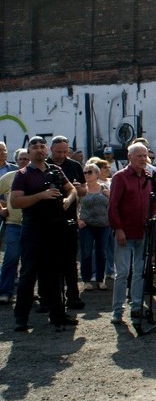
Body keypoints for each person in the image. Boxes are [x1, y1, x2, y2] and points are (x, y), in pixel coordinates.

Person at [11, 137, 79, 331]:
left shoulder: (55, 170)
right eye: (35, 147)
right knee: (28, 274)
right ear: (29, 151)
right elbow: (15, 202)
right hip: (33, 229)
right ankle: (21, 318)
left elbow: (72, 189)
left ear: (46, 149)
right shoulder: (23, 174)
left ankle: (58, 315)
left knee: (55, 272)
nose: (39, 150)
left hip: (55, 228)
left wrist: (68, 200)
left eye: (42, 146)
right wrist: (41, 195)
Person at [107, 142, 152, 324]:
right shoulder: (120, 177)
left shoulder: (148, 177)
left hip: (143, 231)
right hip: (125, 232)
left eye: (145, 156)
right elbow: (113, 205)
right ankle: (117, 310)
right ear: (130, 157)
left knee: (140, 272)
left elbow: (153, 203)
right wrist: (118, 228)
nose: (143, 159)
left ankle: (136, 307)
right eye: (139, 155)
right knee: (123, 272)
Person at [47, 135, 86, 310]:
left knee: (70, 261)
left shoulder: (74, 166)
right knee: (48, 262)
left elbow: (84, 189)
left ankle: (73, 296)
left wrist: (79, 190)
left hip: (69, 218)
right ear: (51, 150)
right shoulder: (45, 165)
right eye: (58, 152)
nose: (62, 155)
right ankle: (47, 298)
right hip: (47, 219)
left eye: (65, 151)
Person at [0, 149, 30, 305]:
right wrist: (1, 209)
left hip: (33, 225)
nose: (24, 161)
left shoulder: (36, 176)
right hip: (14, 224)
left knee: (30, 261)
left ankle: (28, 293)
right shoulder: (9, 177)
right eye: (21, 159)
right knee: (11, 259)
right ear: (16, 161)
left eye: (26, 158)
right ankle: (5, 291)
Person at [78, 163, 111, 291]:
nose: (86, 174)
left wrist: (110, 195)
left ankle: (100, 279)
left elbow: (113, 205)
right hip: (87, 225)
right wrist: (78, 220)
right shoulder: (81, 189)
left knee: (101, 253)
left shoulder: (104, 188)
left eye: (90, 172)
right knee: (86, 252)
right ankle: (86, 280)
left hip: (103, 225)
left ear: (97, 174)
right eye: (85, 172)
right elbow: (74, 206)